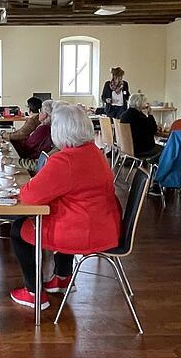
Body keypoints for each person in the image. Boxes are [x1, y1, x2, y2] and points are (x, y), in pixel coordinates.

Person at [8, 104, 122, 309]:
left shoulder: (65, 159)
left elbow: (30, 197)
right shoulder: (95, 152)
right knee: (64, 214)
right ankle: (62, 277)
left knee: (19, 229)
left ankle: (34, 292)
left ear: (58, 131)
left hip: (84, 232)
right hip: (105, 226)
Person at [119, 93, 162, 159]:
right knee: (166, 150)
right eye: (144, 102)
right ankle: (156, 167)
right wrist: (150, 115)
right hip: (141, 149)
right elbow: (153, 130)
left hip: (127, 147)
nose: (146, 104)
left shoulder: (124, 115)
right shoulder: (139, 116)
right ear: (139, 103)